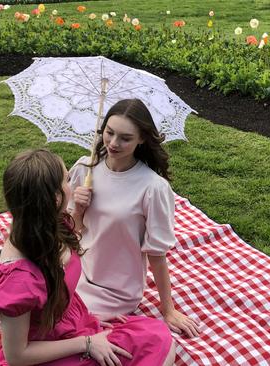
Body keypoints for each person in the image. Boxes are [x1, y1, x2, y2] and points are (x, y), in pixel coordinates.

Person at [0, 149, 176, 366]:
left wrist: (86, 318)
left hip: (69, 327)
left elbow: (62, 286)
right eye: (67, 179)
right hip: (46, 353)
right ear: (55, 198)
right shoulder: (19, 279)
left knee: (156, 336)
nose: (72, 184)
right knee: (156, 348)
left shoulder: (49, 225)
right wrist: (86, 343)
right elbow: (16, 356)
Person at [69, 99, 200, 338]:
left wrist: (168, 310)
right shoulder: (84, 169)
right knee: (24, 310)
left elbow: (157, 254)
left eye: (125, 138)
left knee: (60, 327)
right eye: (109, 133)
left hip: (115, 290)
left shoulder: (153, 188)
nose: (113, 143)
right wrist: (77, 210)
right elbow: (72, 234)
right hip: (75, 272)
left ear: (141, 139)